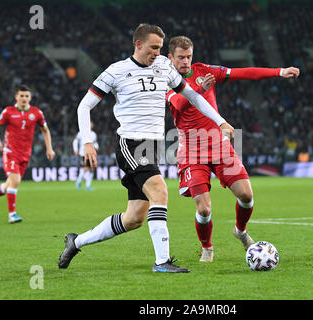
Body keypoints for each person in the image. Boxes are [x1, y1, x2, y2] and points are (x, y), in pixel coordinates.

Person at [58, 24, 234, 273]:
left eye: (160, 48)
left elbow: (193, 96)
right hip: (131, 143)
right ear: (138, 45)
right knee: (160, 192)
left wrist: (221, 121)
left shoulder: (164, 66)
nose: (158, 53)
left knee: (134, 218)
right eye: (153, 47)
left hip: (153, 147)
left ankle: (75, 242)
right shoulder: (116, 71)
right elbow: (84, 106)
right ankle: (162, 262)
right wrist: (87, 141)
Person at [165, 36, 299, 262]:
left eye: (188, 56)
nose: (185, 61)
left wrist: (279, 71)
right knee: (204, 209)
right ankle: (207, 247)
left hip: (219, 145)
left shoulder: (205, 71)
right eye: (180, 57)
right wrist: (199, 87)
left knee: (246, 195)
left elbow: (243, 73)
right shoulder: (165, 81)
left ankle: (240, 230)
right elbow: (179, 103)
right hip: (191, 151)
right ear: (170, 58)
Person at [0, 85, 55, 223]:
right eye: (21, 96)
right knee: (15, 181)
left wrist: (49, 148)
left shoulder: (37, 113)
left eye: (26, 96)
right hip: (10, 151)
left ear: (30, 98)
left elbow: (45, 131)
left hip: (25, 154)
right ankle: (12, 214)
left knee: (9, 184)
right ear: (16, 97)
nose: (24, 98)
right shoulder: (8, 112)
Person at [73, 121, 99, 191]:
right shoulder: (81, 133)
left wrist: (97, 147)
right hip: (83, 153)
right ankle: (78, 181)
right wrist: (75, 149)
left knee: (91, 169)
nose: (91, 125)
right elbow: (75, 141)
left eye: (92, 124)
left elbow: (95, 142)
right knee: (86, 168)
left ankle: (87, 186)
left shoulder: (93, 134)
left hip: (91, 153)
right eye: (90, 123)